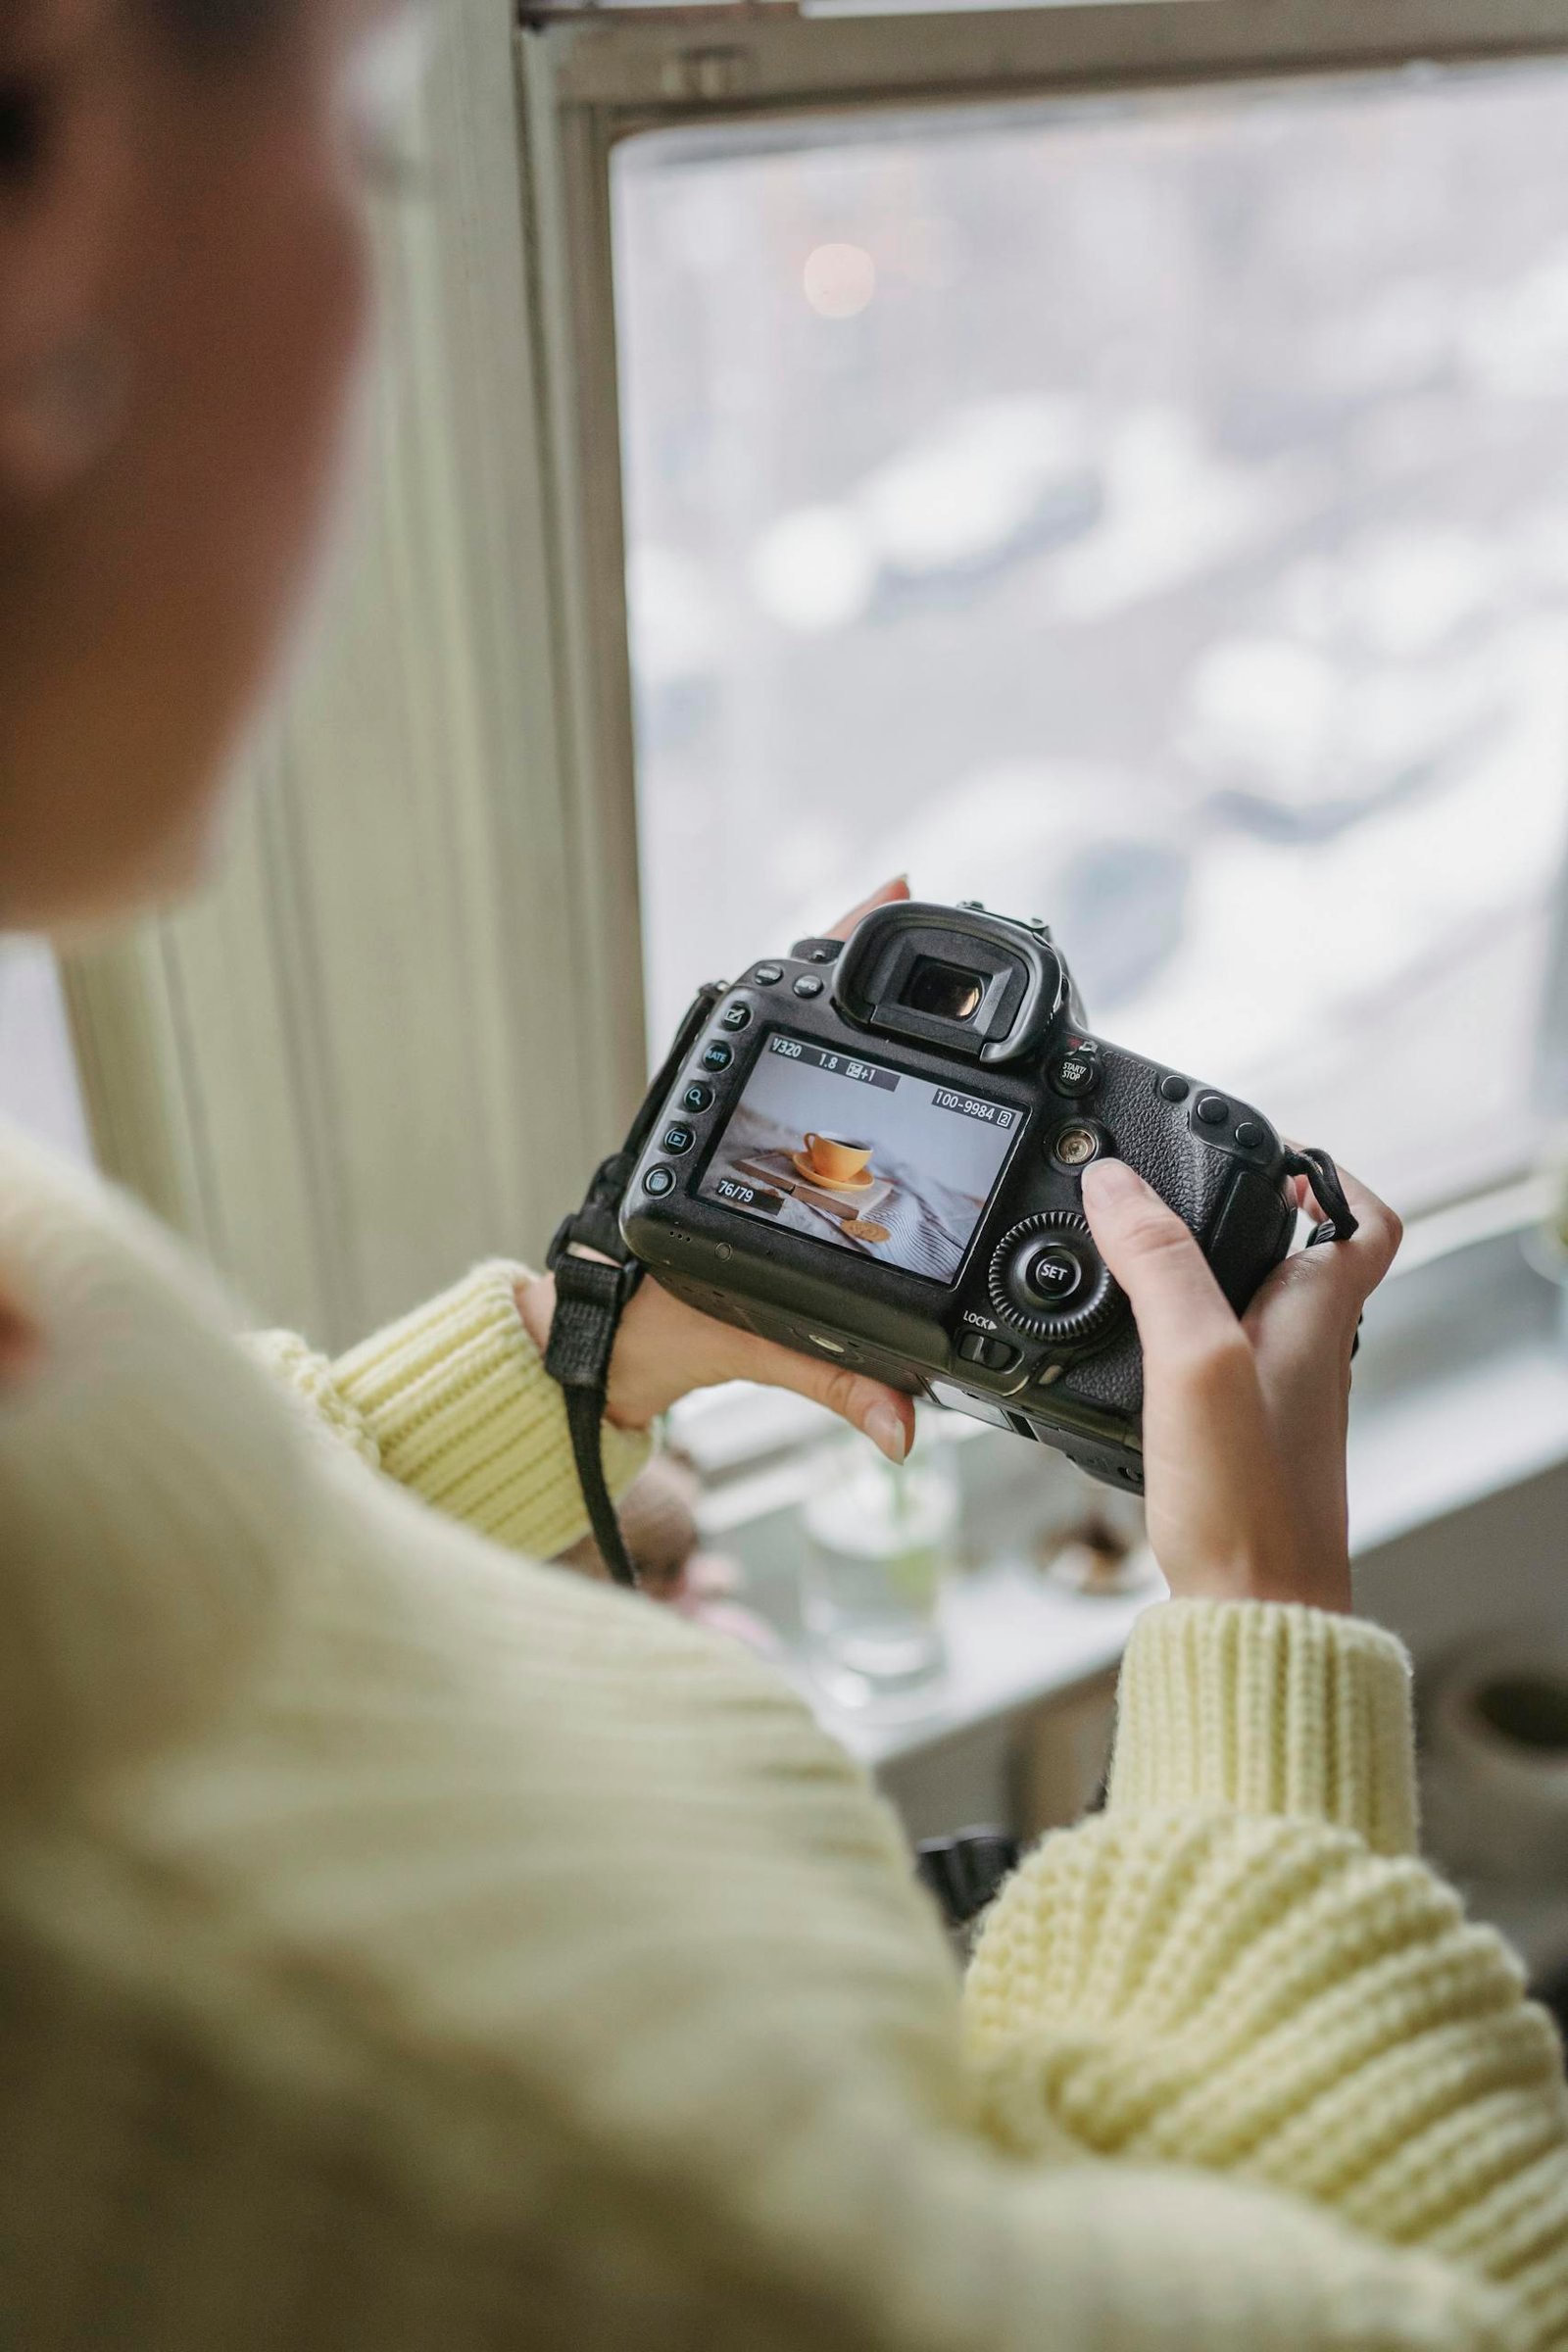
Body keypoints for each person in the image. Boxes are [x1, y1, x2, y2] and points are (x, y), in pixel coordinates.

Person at [1, 0, 1565, 2342]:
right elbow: (1419, 2305)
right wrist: (1255, 1627)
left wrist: (568, 1362)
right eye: (369, 156)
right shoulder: (269, 2052)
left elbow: (142, 1526)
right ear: (67, 268)